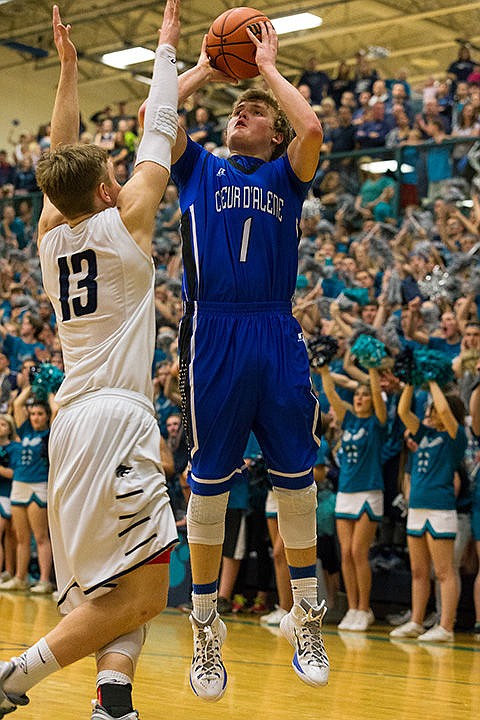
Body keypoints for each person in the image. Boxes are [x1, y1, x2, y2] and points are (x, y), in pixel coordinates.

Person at [0, 3, 180, 719]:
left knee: (118, 587)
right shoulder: (127, 216)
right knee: (146, 588)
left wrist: (70, 69)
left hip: (72, 424)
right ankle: (13, 676)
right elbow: (158, 132)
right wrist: (166, 55)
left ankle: (113, 700)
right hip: (113, 419)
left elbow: (58, 156)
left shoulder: (48, 237)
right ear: (106, 189)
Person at [169, 19, 329, 701]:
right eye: (237, 110)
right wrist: (207, 67)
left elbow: (314, 128)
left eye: (256, 113)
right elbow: (157, 115)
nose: (244, 114)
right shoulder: (198, 168)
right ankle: (206, 626)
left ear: (272, 134)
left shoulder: (285, 175)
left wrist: (265, 70)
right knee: (209, 485)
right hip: (215, 333)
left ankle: (308, 616)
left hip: (273, 327)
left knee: (297, 479)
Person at [391, 382, 467, 642]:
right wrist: (411, 383)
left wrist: (434, 381)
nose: (430, 413)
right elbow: (403, 411)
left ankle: (446, 627)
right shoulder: (423, 435)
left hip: (440, 509)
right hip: (417, 509)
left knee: (443, 571)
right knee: (418, 571)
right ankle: (416, 621)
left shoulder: (455, 438)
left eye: (432, 409)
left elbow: (446, 411)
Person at [318, 362, 387, 631]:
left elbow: (380, 402)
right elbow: (333, 395)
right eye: (357, 394)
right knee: (345, 553)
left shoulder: (377, 422)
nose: (359, 398)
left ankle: (364, 607)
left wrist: (372, 370)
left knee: (359, 551)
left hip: (369, 491)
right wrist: (323, 371)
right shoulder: (349, 420)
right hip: (346, 491)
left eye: (365, 394)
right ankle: (353, 607)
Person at [0, 384, 53, 595]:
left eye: (40, 414)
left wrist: (47, 389)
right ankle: (20, 578)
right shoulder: (25, 431)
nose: (35, 417)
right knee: (21, 538)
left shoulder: (50, 433)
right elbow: (18, 403)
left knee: (40, 536)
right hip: (19, 485)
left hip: (39, 484)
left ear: (47, 416)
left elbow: (56, 409)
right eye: (33, 414)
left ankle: (44, 580)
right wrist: (34, 385)